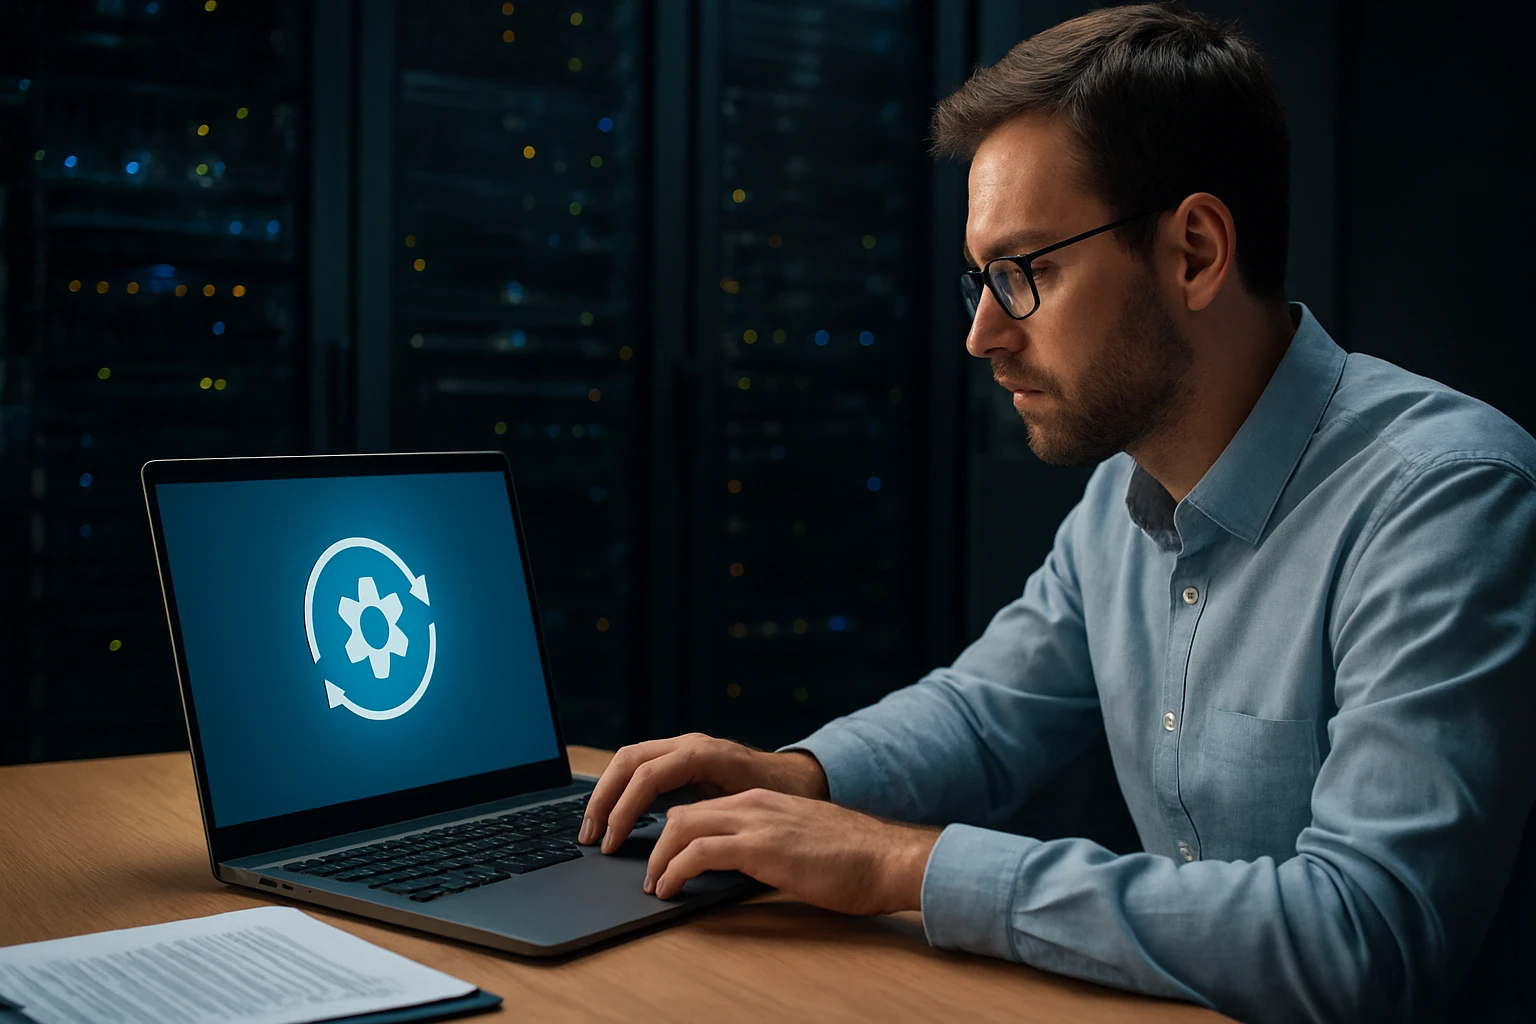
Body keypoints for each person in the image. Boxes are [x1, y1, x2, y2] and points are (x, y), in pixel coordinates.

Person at [577, 4, 1536, 1020]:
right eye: (978, 280)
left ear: (1197, 251)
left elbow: (1365, 937)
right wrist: (802, 777)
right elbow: (985, 718)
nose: (983, 333)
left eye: (1024, 272)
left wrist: (909, 867)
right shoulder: (1118, 501)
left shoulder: (1447, 499)